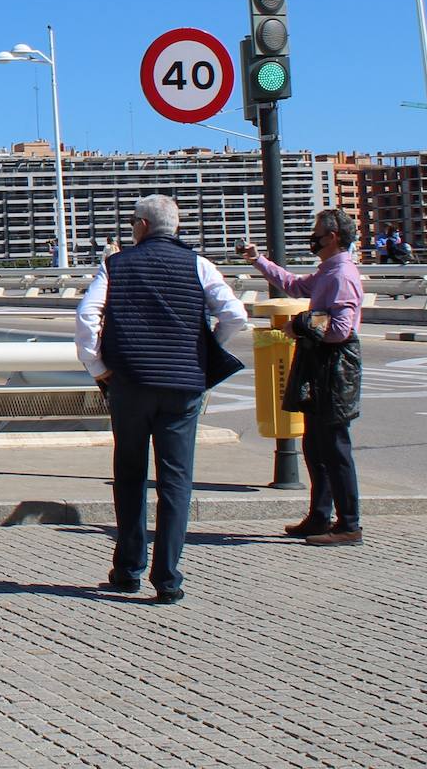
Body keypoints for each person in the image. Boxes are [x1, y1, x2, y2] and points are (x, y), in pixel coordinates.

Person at [75, 195, 247, 603]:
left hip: (130, 384)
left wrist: (99, 369)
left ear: (142, 226)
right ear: (177, 227)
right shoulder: (198, 265)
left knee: (130, 475)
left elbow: (86, 318)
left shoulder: (115, 264)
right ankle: (168, 579)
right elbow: (236, 316)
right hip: (183, 387)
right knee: (175, 481)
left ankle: (128, 570)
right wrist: (203, 355)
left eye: (133, 222)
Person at [241, 208, 364, 546]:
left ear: (333, 237)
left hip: (335, 367)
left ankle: (349, 524)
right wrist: (258, 261)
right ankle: (320, 515)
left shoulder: (342, 274)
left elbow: (339, 330)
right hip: (320, 363)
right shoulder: (328, 270)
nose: (313, 238)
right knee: (315, 445)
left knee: (335, 447)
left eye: (317, 233)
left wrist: (298, 325)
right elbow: (294, 286)